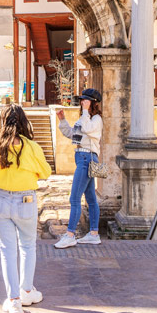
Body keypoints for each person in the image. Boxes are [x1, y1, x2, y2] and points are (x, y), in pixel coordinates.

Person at [0, 105, 52, 313]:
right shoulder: (31, 146)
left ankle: (13, 300)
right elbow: (45, 172)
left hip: (1, 200)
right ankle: (27, 290)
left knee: (7, 252)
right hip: (26, 200)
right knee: (28, 246)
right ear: (23, 121)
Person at [54, 88, 103, 249]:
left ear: (93, 103)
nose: (83, 102)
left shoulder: (95, 119)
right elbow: (72, 134)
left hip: (86, 158)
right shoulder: (84, 118)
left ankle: (70, 235)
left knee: (74, 198)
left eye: (86, 100)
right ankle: (94, 234)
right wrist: (62, 120)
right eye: (82, 100)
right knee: (91, 199)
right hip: (82, 158)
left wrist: (85, 112)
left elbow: (88, 129)